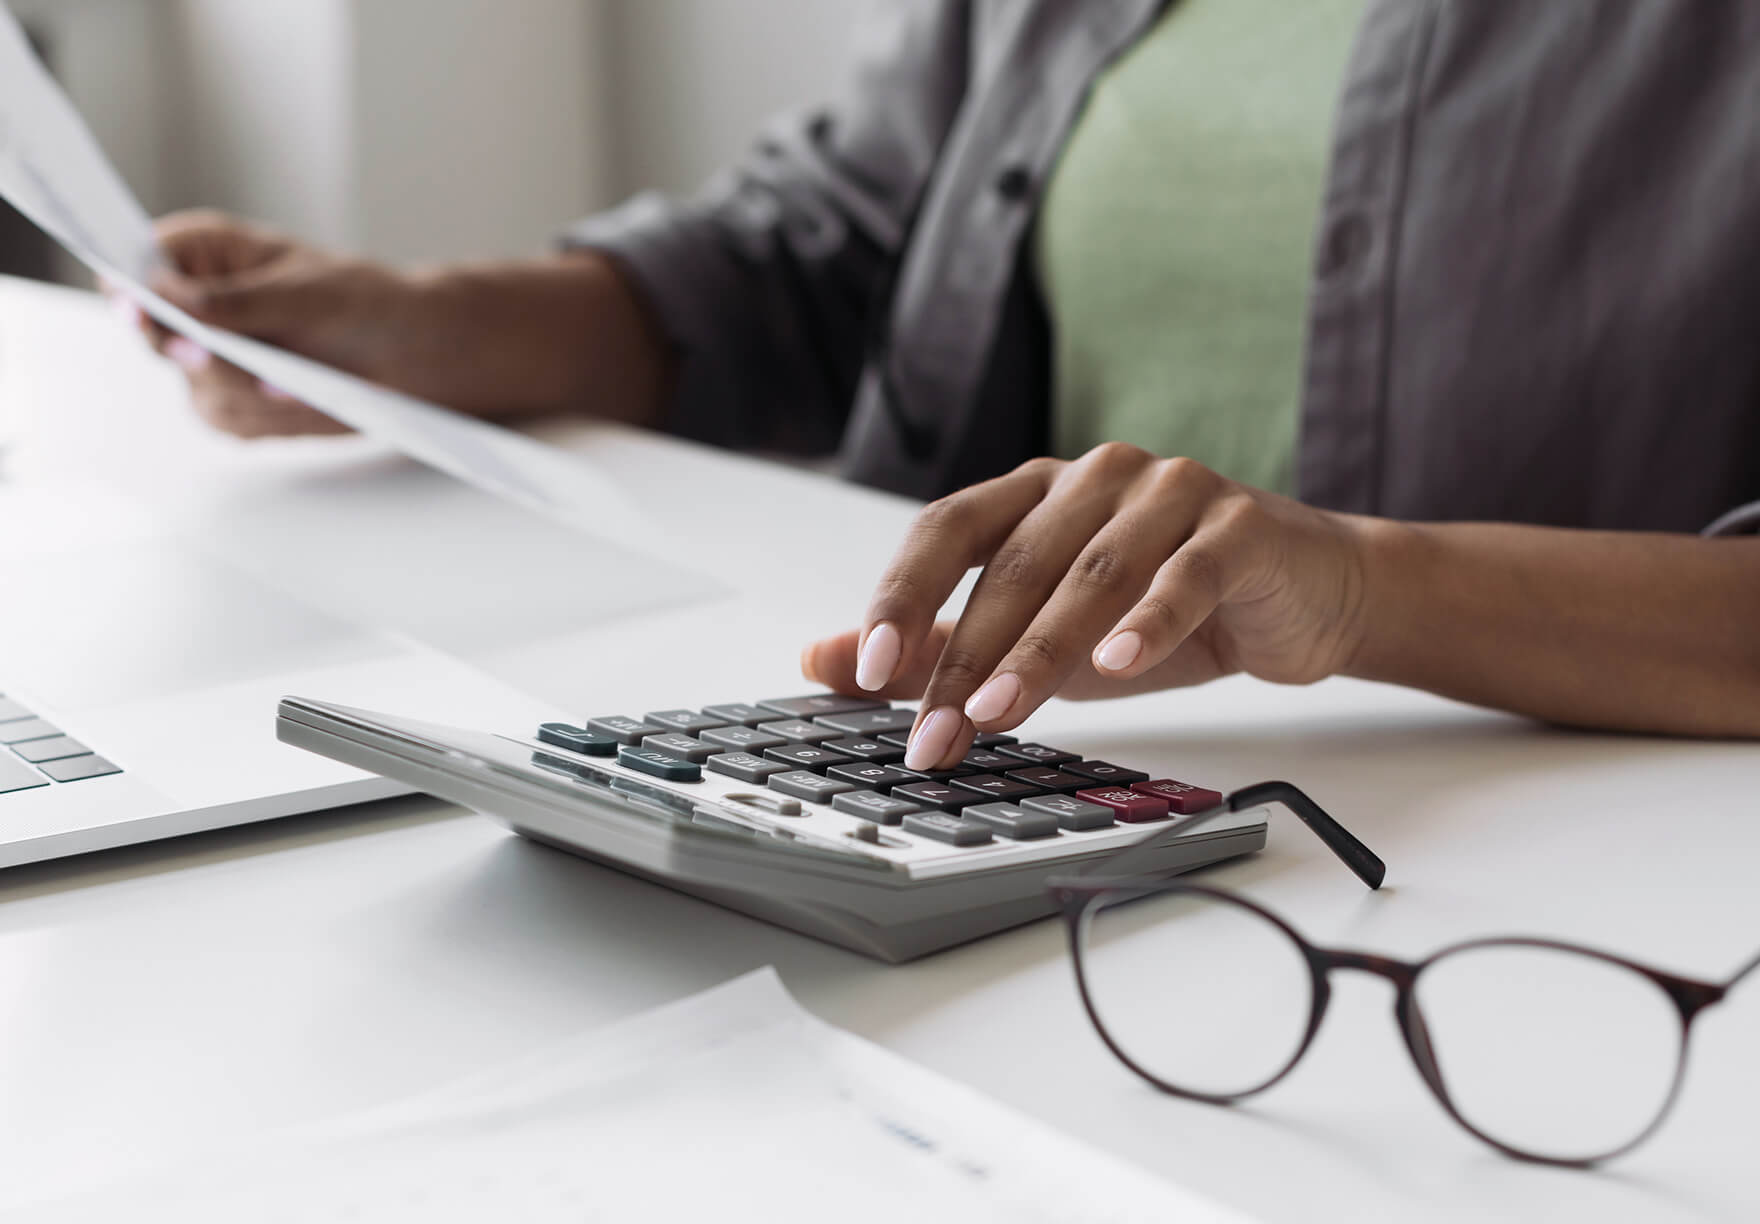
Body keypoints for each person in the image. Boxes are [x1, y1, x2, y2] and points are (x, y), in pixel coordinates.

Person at [121, 0, 1760, 773]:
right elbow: (817, 256)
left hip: (1540, 884)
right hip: (996, 797)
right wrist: (432, 323)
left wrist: (1359, 588)